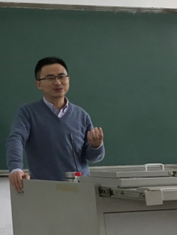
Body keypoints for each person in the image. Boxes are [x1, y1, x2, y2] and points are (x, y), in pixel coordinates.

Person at [6, 57, 104, 192]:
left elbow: (92, 157)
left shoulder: (81, 115)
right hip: (46, 189)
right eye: (50, 78)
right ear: (38, 84)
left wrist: (96, 146)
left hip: (81, 188)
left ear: (68, 79)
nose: (57, 82)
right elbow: (16, 139)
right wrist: (15, 168)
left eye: (61, 76)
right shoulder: (28, 112)